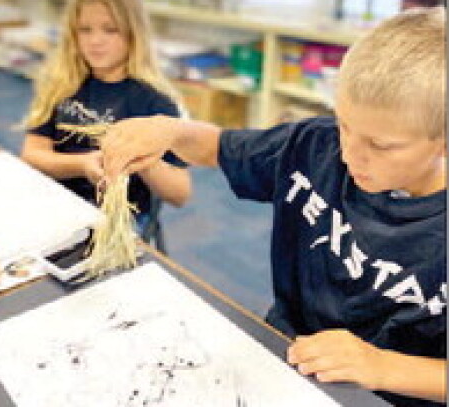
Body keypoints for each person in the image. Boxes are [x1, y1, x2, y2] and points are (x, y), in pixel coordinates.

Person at [101, 7, 446, 406]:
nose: (351, 155)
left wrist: (381, 366)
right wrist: (170, 130)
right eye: (344, 125)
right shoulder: (315, 145)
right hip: (287, 349)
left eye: (381, 145)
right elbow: (219, 147)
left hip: (388, 393)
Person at [21, 0, 191, 231]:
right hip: (61, 201)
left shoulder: (155, 102)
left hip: (120, 219)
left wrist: (142, 159)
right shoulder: (61, 83)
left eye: (110, 30)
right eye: (85, 29)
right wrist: (82, 164)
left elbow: (180, 194)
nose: (95, 41)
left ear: (134, 33)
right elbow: (32, 153)